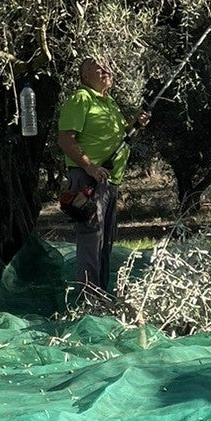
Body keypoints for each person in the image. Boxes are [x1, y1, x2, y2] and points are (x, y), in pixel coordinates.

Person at [57, 55, 148, 303]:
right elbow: (65, 138)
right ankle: (89, 299)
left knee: (105, 241)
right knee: (91, 238)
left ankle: (101, 296)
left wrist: (136, 125)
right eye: (97, 66)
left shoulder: (110, 103)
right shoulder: (81, 99)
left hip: (109, 182)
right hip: (89, 180)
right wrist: (89, 166)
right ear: (85, 76)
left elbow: (123, 140)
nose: (105, 69)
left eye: (107, 66)